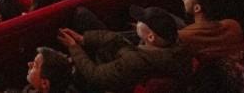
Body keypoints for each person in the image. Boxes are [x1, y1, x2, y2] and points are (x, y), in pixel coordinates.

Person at [57, 6, 189, 91]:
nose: (137, 22)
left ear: (150, 37)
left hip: (109, 81)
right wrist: (83, 38)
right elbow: (120, 41)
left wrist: (74, 47)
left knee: (82, 16)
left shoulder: (135, 62)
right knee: (83, 15)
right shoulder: (174, 47)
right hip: (117, 60)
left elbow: (96, 76)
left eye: (141, 20)